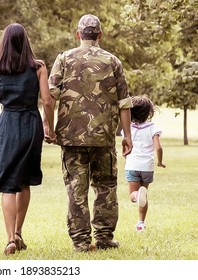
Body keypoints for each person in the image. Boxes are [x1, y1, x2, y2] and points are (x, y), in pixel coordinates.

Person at [46, 14, 133, 252]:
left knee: (76, 188)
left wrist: (48, 126)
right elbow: (124, 102)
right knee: (105, 186)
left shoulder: (64, 59)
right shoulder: (113, 61)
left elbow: (49, 98)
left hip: (71, 137)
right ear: (100, 36)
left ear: (78, 35)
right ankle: (104, 238)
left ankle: (81, 241)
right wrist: (127, 136)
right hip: (103, 137)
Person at [0, 23, 55, 255]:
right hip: (30, 125)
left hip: (7, 127)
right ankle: (18, 233)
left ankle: (9, 238)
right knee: (24, 181)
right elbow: (47, 101)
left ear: (4, 43)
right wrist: (51, 129)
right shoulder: (38, 68)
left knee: (8, 184)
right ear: (25, 41)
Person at [123, 95, 166, 232]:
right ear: (149, 112)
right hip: (147, 167)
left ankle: (136, 195)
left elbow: (125, 148)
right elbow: (158, 148)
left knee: (133, 195)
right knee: (144, 194)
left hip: (132, 165)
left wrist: (126, 158)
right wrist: (160, 162)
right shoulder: (153, 127)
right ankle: (141, 223)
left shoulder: (128, 128)